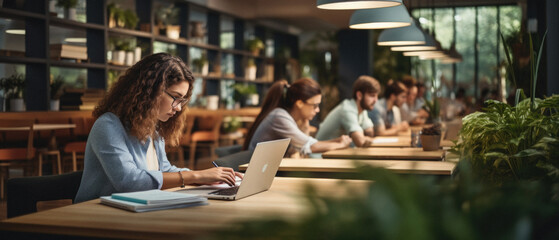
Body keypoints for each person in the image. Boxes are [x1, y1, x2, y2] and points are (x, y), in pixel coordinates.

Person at [75, 53, 243, 203]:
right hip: (97, 215)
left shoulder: (151, 127)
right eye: (175, 98)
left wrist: (206, 177)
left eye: (182, 101)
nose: (178, 108)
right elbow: (129, 181)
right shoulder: (108, 125)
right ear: (150, 91)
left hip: (134, 210)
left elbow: (164, 170)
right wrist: (196, 176)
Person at [243, 78, 351, 158]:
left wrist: (337, 141)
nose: (317, 110)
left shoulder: (291, 119)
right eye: (315, 105)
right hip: (257, 171)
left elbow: (303, 148)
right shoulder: (279, 117)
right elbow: (311, 146)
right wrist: (340, 144)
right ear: (299, 103)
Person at [315, 75, 380, 147]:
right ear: (359, 95)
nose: (376, 100)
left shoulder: (362, 110)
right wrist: (363, 138)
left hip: (337, 153)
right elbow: (360, 142)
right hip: (321, 155)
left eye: (377, 96)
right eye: (372, 96)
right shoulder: (347, 109)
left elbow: (370, 134)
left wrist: (364, 138)